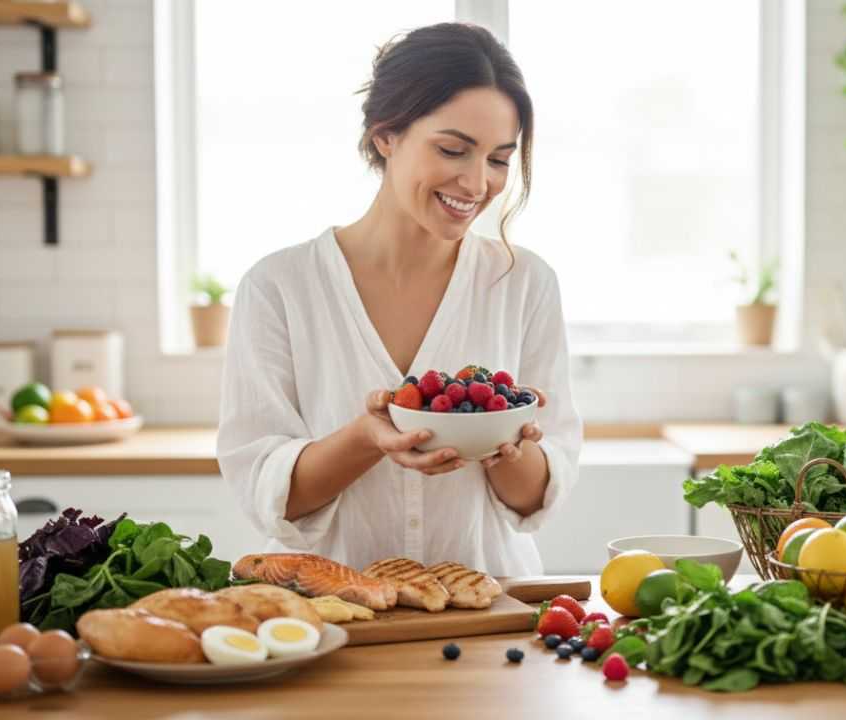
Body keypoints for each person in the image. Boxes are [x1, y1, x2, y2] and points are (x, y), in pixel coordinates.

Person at [216, 23, 582, 577]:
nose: (477, 183)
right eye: (453, 149)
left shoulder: (525, 281)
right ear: (386, 135)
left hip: (489, 613)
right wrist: (368, 439)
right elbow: (272, 495)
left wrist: (503, 443)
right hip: (336, 618)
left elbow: (533, 500)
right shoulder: (279, 287)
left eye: (499, 159)